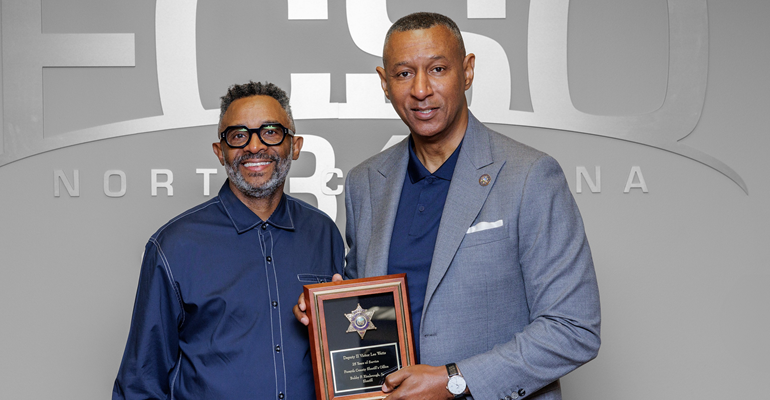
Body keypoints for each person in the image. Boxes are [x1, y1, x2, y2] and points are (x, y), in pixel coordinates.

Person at [295, 12, 600, 400]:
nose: (421, 90)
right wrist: (329, 311)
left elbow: (573, 328)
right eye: (404, 73)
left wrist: (455, 380)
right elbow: (372, 315)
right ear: (385, 82)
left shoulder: (530, 176)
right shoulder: (365, 182)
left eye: (437, 69)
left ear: (467, 71)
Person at [113, 81, 344, 400]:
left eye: (271, 132)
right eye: (238, 135)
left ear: (295, 146)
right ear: (220, 151)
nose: (254, 146)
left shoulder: (324, 233)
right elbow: (140, 384)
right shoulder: (175, 245)